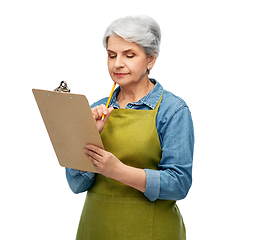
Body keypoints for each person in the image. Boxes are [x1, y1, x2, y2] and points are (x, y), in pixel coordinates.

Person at [65, 15, 194, 240]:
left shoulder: (172, 110)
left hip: (152, 231)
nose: (117, 64)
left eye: (129, 55)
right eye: (111, 55)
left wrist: (118, 171)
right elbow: (76, 184)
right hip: (96, 229)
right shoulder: (96, 109)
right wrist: (87, 135)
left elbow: (179, 184)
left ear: (151, 59)